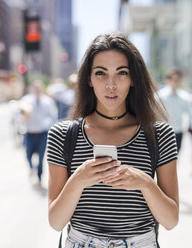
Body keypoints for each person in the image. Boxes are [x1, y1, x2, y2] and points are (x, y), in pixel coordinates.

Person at [46, 32, 179, 248]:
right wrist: (79, 179)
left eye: (121, 73)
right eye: (100, 73)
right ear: (88, 79)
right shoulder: (62, 135)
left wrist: (145, 182)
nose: (111, 84)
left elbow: (171, 220)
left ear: (133, 78)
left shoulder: (159, 135)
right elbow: (56, 222)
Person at [158, 68, 192, 152]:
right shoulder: (160, 96)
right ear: (168, 80)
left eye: (178, 79)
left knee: (175, 158)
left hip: (178, 133)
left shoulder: (184, 97)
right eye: (174, 79)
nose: (176, 82)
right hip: (162, 133)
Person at [21, 80, 57, 187]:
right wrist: (23, 118)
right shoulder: (26, 100)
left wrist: (45, 125)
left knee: (41, 157)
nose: (37, 91)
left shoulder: (47, 101)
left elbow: (52, 116)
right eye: (35, 88)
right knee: (28, 154)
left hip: (42, 133)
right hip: (29, 132)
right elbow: (19, 114)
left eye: (39, 88)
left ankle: (39, 178)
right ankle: (32, 168)